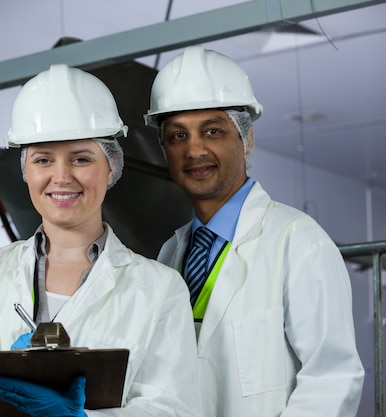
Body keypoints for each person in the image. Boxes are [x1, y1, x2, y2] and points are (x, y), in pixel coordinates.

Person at [0, 64, 202, 417]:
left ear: (111, 167)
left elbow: (173, 407)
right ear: (26, 170)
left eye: (81, 158)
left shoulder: (160, 289)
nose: (61, 177)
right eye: (43, 160)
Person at [144, 44, 365, 416]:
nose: (194, 150)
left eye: (212, 131)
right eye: (178, 136)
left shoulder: (297, 241)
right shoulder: (170, 254)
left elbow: (332, 378)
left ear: (246, 139)